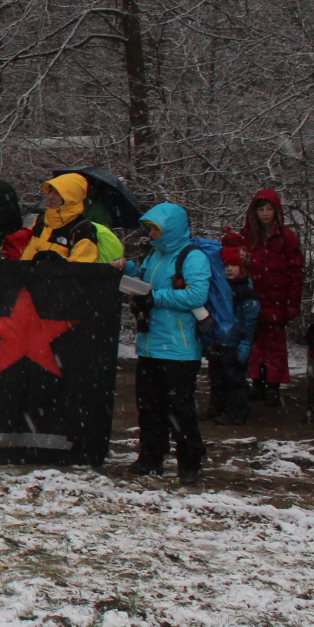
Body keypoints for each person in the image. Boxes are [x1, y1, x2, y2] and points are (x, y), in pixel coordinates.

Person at [124, 203, 209, 479]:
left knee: (180, 408)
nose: (151, 234)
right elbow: (146, 281)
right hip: (151, 344)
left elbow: (196, 295)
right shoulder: (155, 255)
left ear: (170, 229)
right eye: (150, 229)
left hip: (179, 348)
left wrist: (155, 298)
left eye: (156, 229)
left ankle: (190, 462)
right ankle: (151, 457)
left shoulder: (192, 257)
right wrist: (129, 270)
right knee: (149, 406)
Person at [235, 189, 303, 406]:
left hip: (277, 298)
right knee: (254, 342)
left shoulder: (287, 237)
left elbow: (296, 271)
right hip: (253, 297)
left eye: (269, 209)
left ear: (276, 211)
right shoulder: (247, 237)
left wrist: (292, 303)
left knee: (275, 345)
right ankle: (257, 382)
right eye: (261, 209)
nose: (265, 214)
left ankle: (273, 385)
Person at [204, 247, 260, 425]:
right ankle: (217, 407)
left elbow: (250, 319)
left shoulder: (245, 291)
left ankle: (236, 412)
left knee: (234, 379)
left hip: (235, 341)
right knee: (217, 377)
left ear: (240, 266)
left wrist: (246, 341)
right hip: (219, 339)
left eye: (233, 265)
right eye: (226, 265)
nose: (229, 269)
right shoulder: (219, 289)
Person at [19, 173, 101, 263]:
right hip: (24, 272)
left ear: (71, 198)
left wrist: (57, 262)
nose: (50, 196)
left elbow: (82, 267)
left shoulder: (83, 229)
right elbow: (21, 243)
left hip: (51, 273)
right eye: (51, 191)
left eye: (57, 193)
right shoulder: (42, 219)